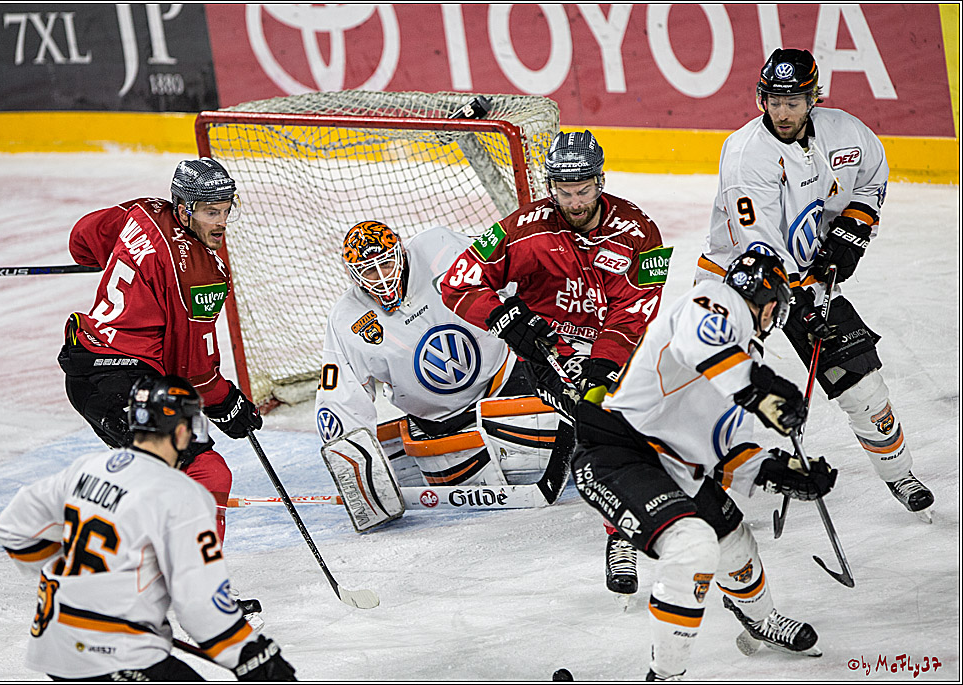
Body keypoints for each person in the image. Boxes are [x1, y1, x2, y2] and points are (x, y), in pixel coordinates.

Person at [572, 251, 838, 680]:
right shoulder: (716, 300)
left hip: (673, 463)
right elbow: (702, 346)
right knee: (693, 545)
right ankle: (665, 675)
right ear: (770, 303)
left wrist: (776, 471)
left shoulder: (739, 355)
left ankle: (762, 621)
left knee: (735, 541)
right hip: (617, 452)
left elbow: (717, 448)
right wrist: (763, 389)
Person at [696, 48, 933, 518]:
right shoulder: (746, 156)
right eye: (774, 101)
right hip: (737, 283)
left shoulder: (844, 132)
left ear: (813, 98)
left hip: (810, 278)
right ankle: (709, 493)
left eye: (794, 101)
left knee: (861, 381)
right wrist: (804, 299)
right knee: (722, 390)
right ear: (761, 98)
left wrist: (850, 235)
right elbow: (757, 247)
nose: (783, 112)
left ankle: (900, 474)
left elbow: (871, 179)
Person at [441, 130, 671, 599]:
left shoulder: (641, 230)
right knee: (602, 423)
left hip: (616, 348)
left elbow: (638, 308)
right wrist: (503, 317)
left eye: (583, 189)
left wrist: (604, 365)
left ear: (600, 181)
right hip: (549, 354)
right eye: (564, 192)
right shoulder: (524, 226)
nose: (574, 201)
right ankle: (621, 534)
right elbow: (456, 281)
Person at [0, 375, 296, 682]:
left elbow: (14, 528)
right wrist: (252, 655)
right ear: (181, 430)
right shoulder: (180, 495)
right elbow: (201, 605)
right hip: (113, 653)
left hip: (55, 642)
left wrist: (71, 579)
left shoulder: (87, 467)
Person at [57, 157, 264, 545]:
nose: (220, 222)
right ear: (185, 209)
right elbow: (192, 373)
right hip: (122, 380)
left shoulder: (145, 211)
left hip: (88, 367)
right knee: (206, 471)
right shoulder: (202, 274)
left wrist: (128, 264)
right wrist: (228, 405)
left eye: (225, 210)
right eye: (209, 212)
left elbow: (82, 238)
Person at [315, 220, 534, 487]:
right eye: (369, 270)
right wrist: (354, 465)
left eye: (385, 263)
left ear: (401, 252)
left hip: (506, 385)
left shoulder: (440, 248)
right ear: (352, 275)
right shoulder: (345, 319)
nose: (381, 276)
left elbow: (505, 260)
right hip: (441, 427)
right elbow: (340, 396)